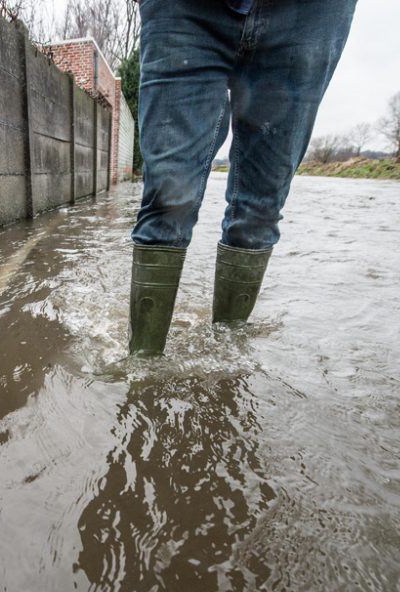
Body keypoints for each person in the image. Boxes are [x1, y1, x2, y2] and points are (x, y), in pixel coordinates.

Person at [129, 0, 358, 355]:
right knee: (166, 200)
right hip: (182, 11)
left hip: (311, 15)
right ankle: (141, 364)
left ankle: (225, 359)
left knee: (259, 212)